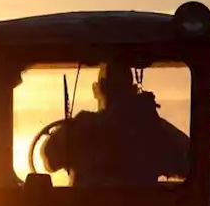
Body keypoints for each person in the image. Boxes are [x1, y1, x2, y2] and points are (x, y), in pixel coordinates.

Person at [40, 59, 190, 187]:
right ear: (132, 89)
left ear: (97, 89)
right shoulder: (155, 131)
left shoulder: (77, 130)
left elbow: (49, 162)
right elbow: (195, 165)